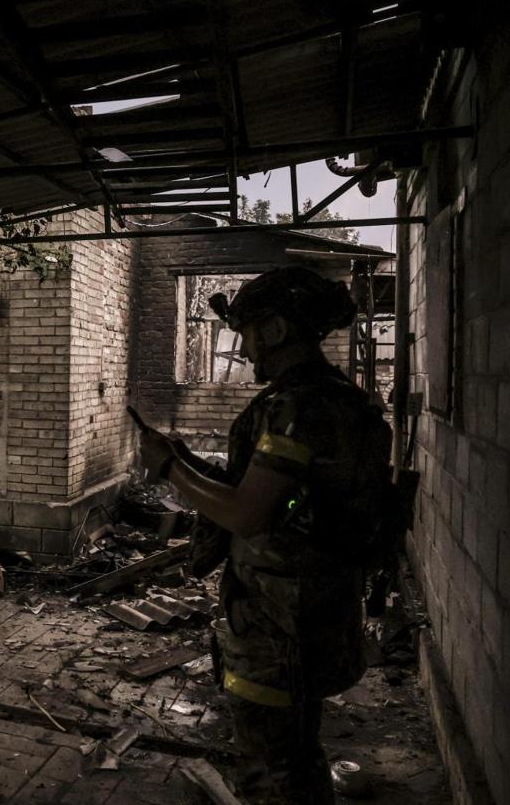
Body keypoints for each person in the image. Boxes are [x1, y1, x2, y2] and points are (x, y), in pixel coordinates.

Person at [136, 266, 393, 805]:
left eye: (248, 332)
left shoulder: (297, 407)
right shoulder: (343, 398)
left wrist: (169, 469)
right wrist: (189, 461)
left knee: (270, 768)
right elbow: (283, 495)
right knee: (296, 755)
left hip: (280, 625)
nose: (245, 348)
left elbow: (247, 514)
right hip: (317, 609)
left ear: (276, 330)